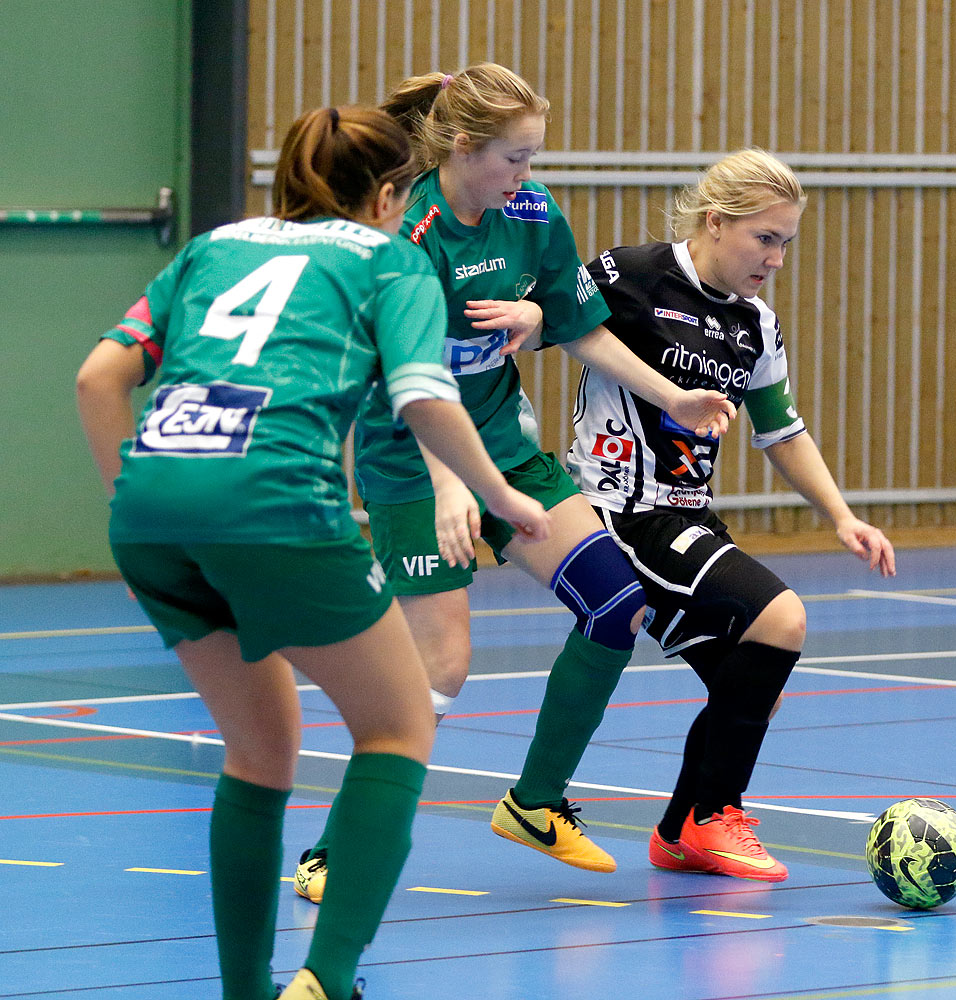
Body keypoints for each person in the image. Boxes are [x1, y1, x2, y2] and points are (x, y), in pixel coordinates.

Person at [75, 107, 550, 1000]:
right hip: (276, 505)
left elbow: (98, 377)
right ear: (385, 194)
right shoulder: (392, 259)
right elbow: (421, 396)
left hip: (150, 512)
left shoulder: (212, 249)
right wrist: (501, 494)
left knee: (258, 750)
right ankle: (325, 981)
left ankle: (245, 991)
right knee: (399, 725)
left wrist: (130, 497)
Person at [293, 63, 735, 901]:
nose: (527, 177)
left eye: (533, 158)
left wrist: (670, 393)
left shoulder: (528, 212)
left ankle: (535, 803)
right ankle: (332, 848)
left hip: (501, 447)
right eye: (515, 159)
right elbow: (403, 378)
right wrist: (452, 483)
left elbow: (576, 324)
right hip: (411, 462)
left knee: (617, 604)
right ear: (462, 148)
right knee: (439, 668)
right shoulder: (408, 233)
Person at [567, 149, 897, 882]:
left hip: (690, 516)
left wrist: (842, 516)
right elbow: (552, 319)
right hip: (622, 511)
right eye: (765, 238)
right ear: (716, 223)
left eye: (787, 243)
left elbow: (781, 429)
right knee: (781, 619)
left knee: (754, 688)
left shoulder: (755, 325)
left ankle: (681, 831)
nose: (776, 258)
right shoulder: (629, 275)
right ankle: (712, 815)